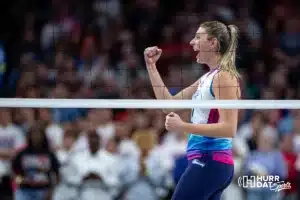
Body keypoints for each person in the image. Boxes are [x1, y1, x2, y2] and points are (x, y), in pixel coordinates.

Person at [144, 21, 241, 200]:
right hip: (204, 160)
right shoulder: (206, 78)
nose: (191, 42)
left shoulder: (225, 77)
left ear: (213, 43)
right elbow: (169, 105)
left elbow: (229, 128)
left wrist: (183, 126)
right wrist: (151, 67)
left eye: (198, 37)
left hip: (211, 160)